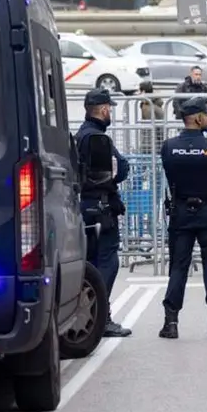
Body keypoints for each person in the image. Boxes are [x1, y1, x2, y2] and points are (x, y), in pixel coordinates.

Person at [157, 97, 207, 339]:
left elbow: (169, 170)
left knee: (178, 267)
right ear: (198, 118)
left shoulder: (169, 146)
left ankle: (170, 324)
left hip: (181, 213)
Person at [74, 88, 132, 338]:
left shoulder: (81, 134)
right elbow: (117, 169)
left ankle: (89, 315)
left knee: (91, 261)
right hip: (100, 208)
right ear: (105, 109)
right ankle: (101, 317)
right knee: (107, 261)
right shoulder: (97, 138)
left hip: (87, 206)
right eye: (110, 109)